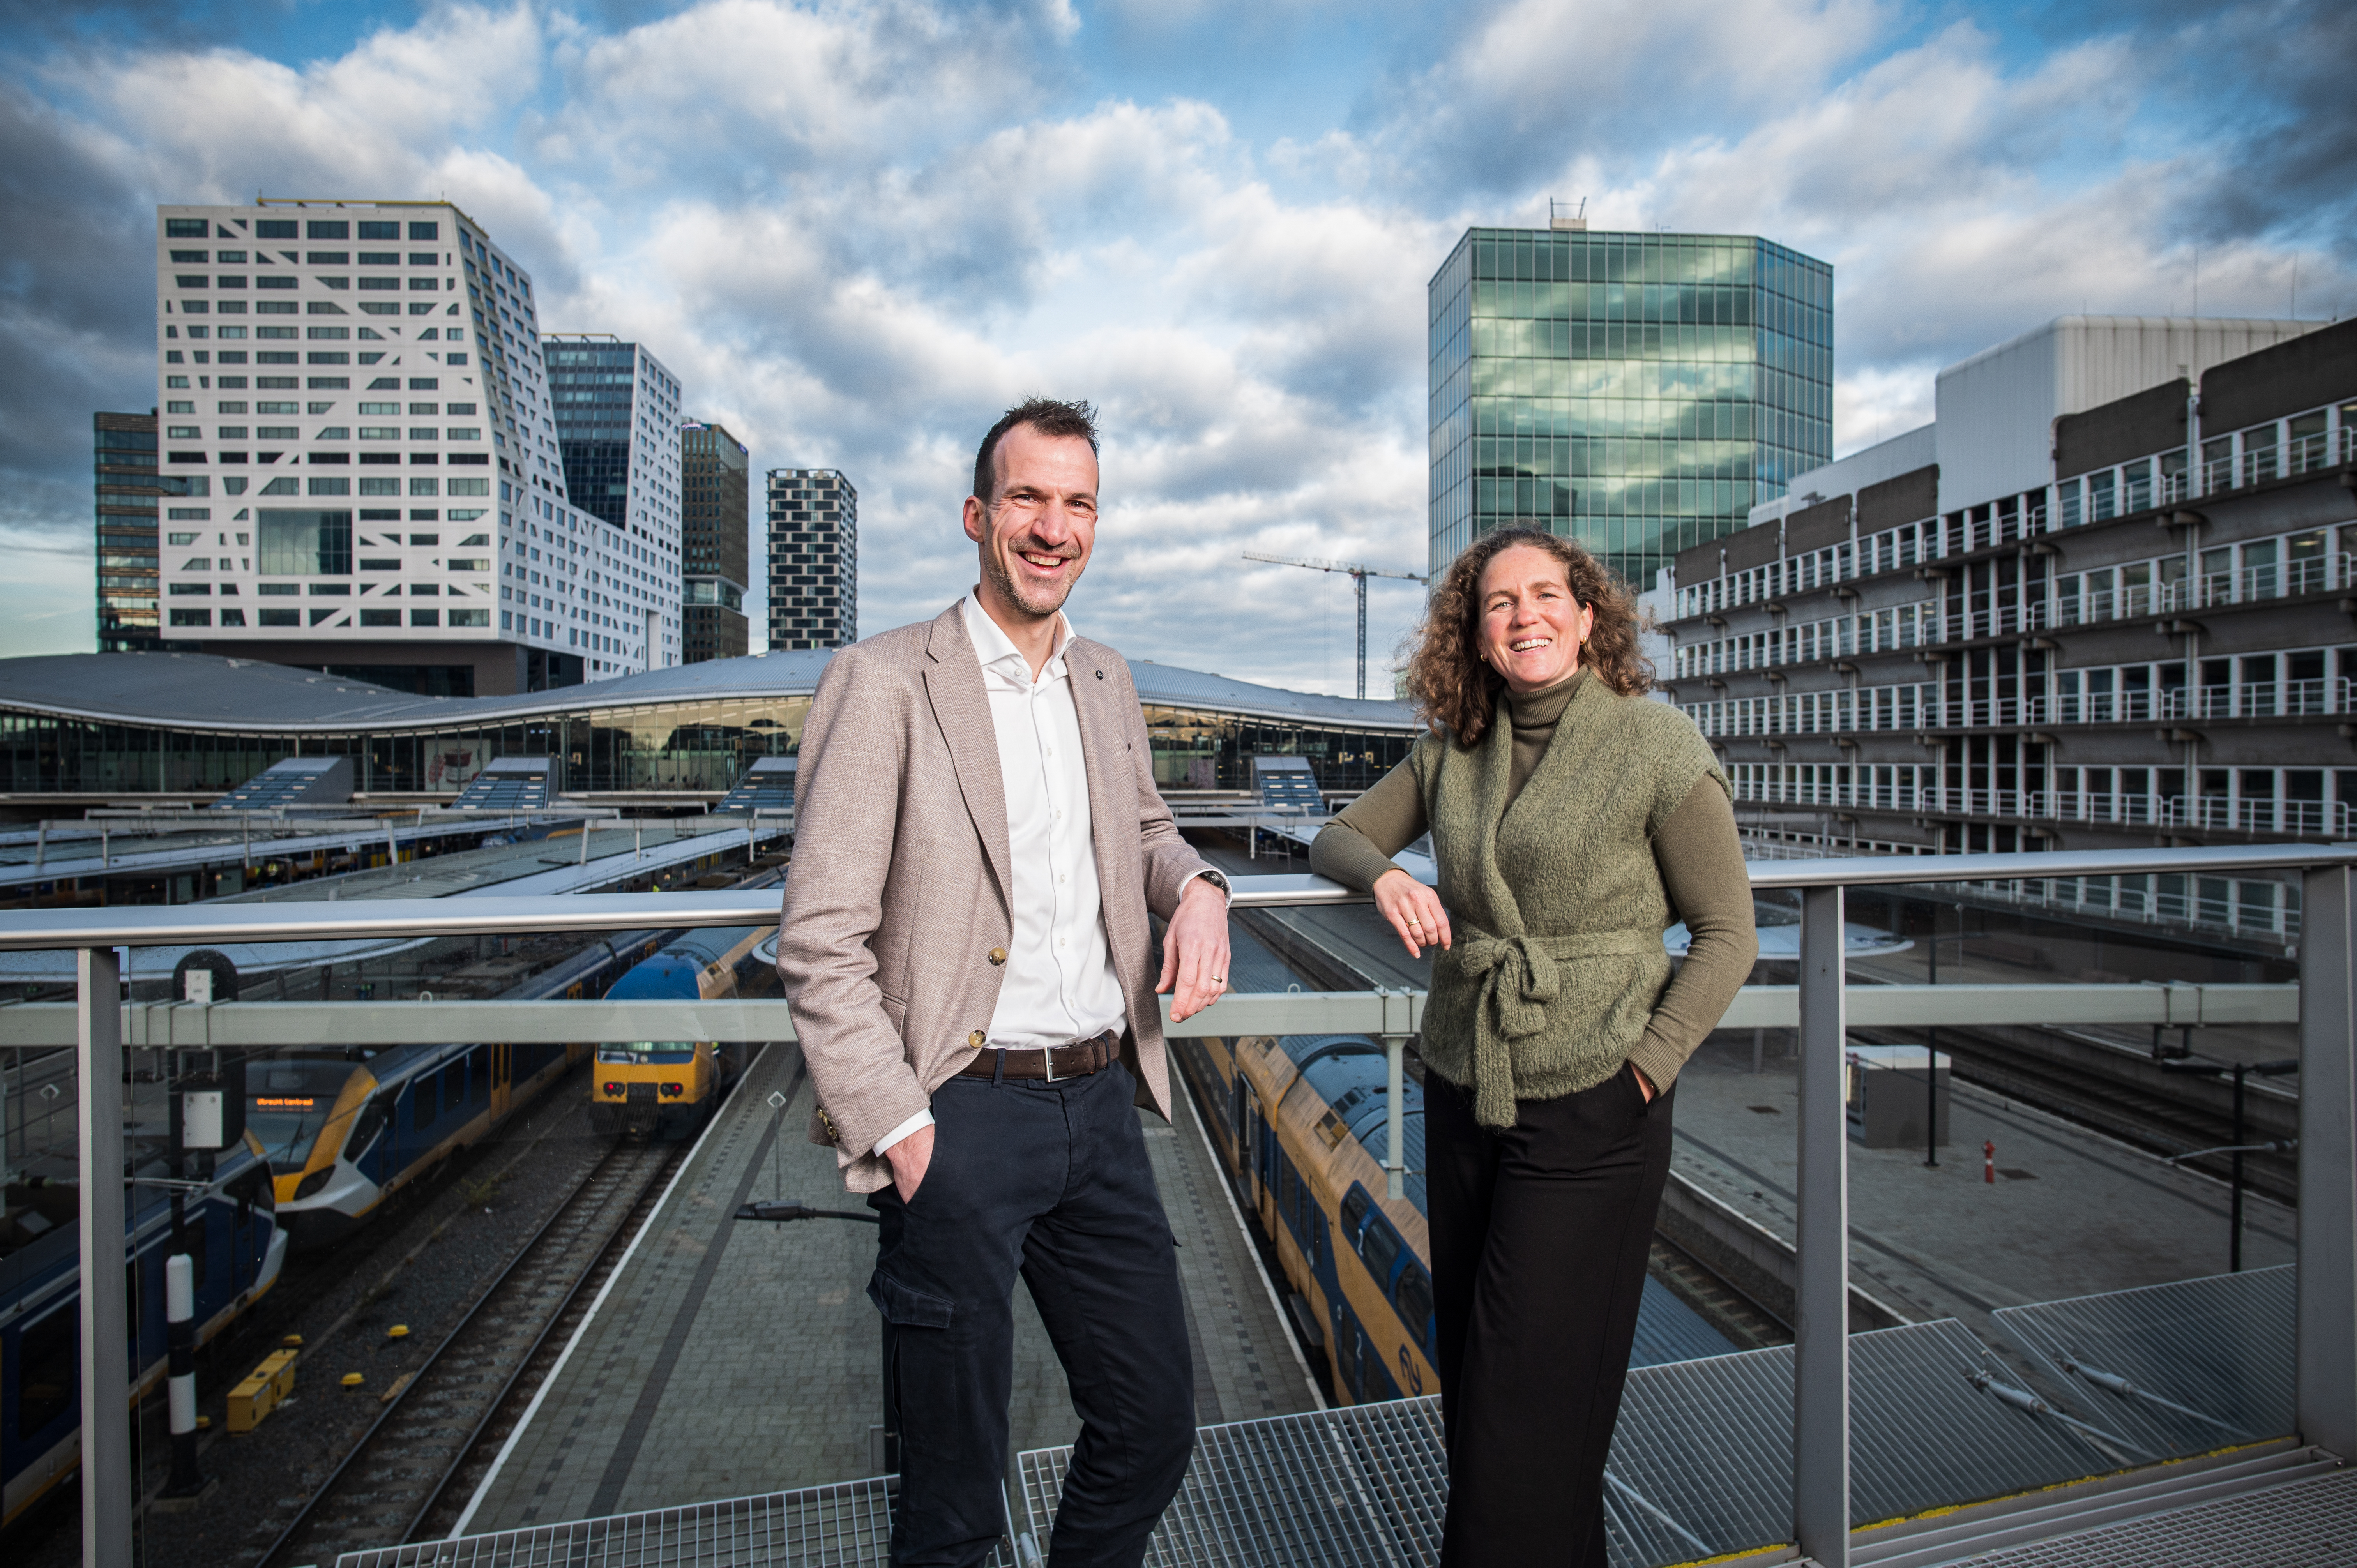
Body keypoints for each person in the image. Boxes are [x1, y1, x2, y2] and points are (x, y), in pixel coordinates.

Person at [776, 397, 1232, 1568]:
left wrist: (1201, 889)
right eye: (1028, 498)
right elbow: (819, 937)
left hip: (1101, 1108)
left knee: (1152, 1426)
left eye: (1077, 503)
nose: (1052, 526)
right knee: (951, 1496)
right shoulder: (882, 682)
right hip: (958, 1112)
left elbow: (1144, 833)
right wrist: (902, 1124)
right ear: (979, 515)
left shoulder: (1107, 680)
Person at [1309, 526, 1756, 1567]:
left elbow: (1728, 935)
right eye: (1499, 603)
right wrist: (1386, 877)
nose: (1525, 617)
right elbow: (1338, 835)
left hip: (1596, 1104)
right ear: (1475, 631)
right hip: (1467, 1093)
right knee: (1484, 1404)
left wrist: (1645, 1071)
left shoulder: (1655, 745)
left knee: (1519, 1425)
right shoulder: (1455, 750)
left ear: (1589, 615)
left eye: (1546, 596)